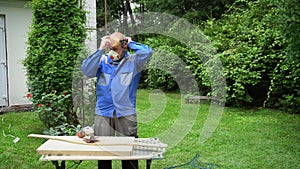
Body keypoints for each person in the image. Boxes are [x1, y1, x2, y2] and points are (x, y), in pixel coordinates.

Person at [81, 32, 152, 169]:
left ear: (124, 46)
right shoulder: (102, 61)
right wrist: (101, 48)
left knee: (128, 151)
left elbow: (147, 52)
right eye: (110, 48)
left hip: (125, 113)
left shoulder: (134, 62)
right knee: (103, 152)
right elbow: (87, 70)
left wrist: (130, 42)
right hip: (103, 112)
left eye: (115, 48)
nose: (112, 52)